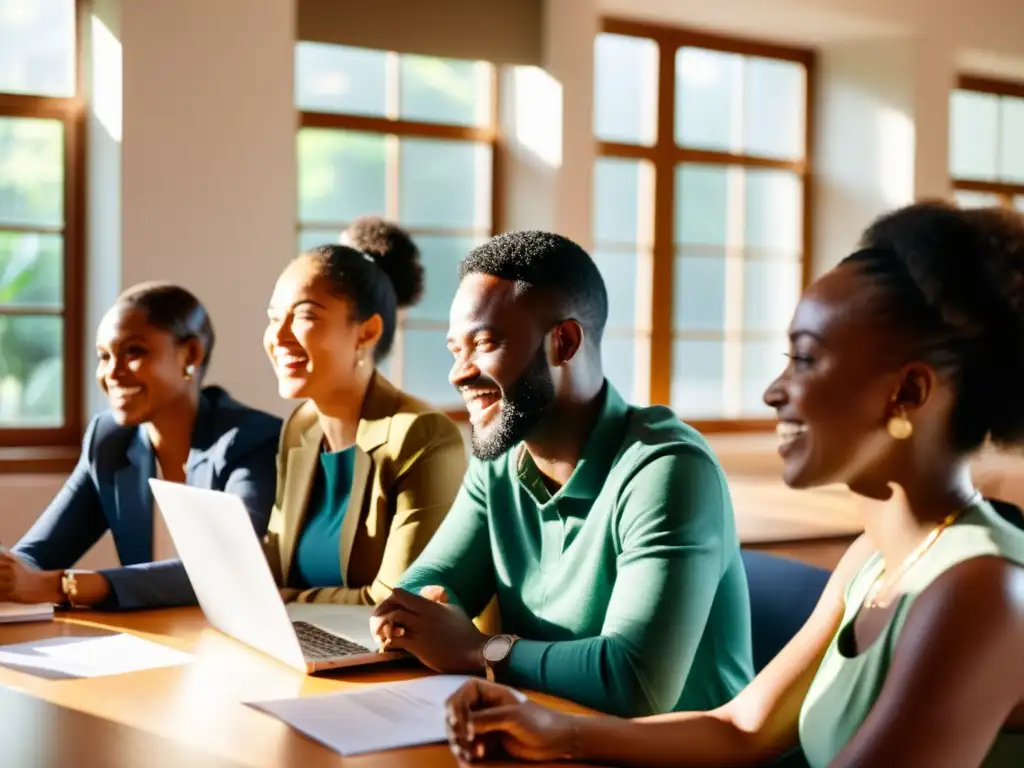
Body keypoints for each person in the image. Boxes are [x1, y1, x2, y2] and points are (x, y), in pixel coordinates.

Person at [443, 202, 1024, 767]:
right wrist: (555, 731)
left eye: (806, 359)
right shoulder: (874, 555)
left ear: (908, 394)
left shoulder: (980, 588)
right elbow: (742, 727)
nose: (774, 391)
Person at [370, 230, 753, 719]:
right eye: (454, 350)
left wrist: (478, 649)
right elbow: (425, 587)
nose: (458, 373)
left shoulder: (668, 469)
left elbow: (633, 680)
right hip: (555, 737)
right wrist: (414, 621)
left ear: (564, 342)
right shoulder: (499, 462)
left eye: (483, 343)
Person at [3, 283, 280, 610]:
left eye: (133, 352)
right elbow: (37, 557)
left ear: (190, 355)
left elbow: (226, 567)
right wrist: (9, 572)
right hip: (151, 639)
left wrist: (65, 586)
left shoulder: (250, 440)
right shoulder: (109, 441)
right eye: (104, 357)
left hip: (241, 641)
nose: (112, 372)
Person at [263, 217, 466, 605]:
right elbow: (272, 566)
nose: (279, 336)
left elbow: (396, 600)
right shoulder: (300, 428)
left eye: (305, 316)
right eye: (274, 317)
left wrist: (280, 599)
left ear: (367, 332)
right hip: (295, 648)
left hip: (384, 660)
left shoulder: (422, 436)